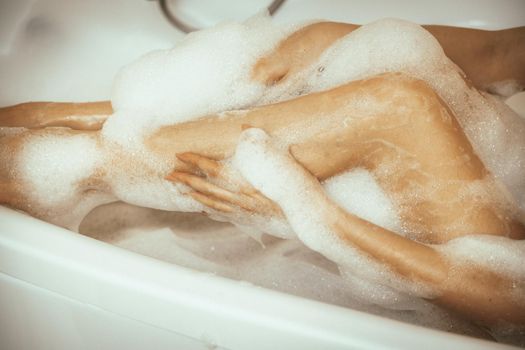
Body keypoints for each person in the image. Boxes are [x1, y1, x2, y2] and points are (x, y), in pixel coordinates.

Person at [1, 20, 524, 332]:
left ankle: (86, 169)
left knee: (399, 109)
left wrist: (309, 213)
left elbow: (512, 300)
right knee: (319, 42)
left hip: (496, 271)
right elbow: (504, 53)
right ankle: (88, 119)